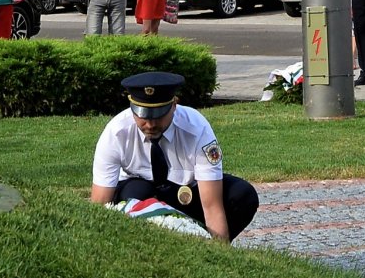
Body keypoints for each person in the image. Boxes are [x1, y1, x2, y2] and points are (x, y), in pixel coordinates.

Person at [91, 71, 260, 242]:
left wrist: (217, 256)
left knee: (242, 194)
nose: (150, 124)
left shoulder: (197, 129)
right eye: (142, 115)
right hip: (138, 198)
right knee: (138, 192)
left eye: (158, 115)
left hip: (186, 196)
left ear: (174, 105)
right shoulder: (116, 133)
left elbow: (212, 206)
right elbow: (101, 205)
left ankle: (201, 249)